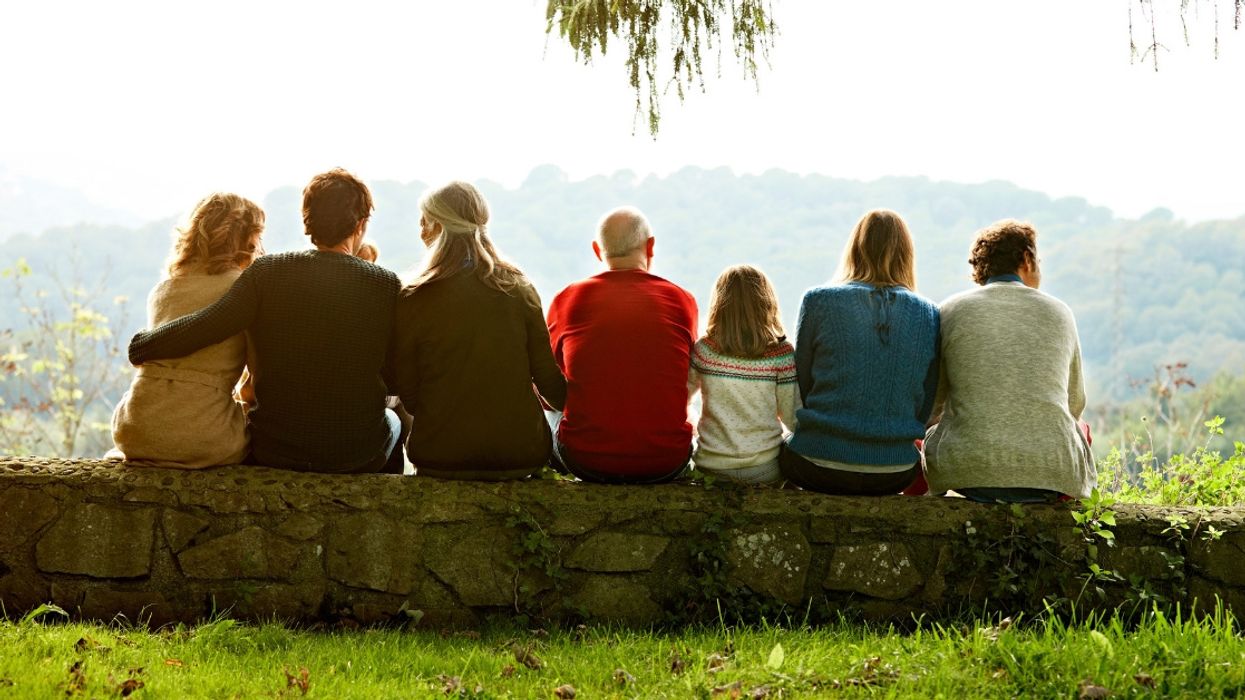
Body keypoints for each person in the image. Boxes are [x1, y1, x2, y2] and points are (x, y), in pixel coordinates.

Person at [127, 168, 402, 474]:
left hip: (274, 448)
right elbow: (395, 374)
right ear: (361, 223)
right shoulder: (385, 284)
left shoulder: (267, 273)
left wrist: (142, 345)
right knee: (393, 420)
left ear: (307, 220)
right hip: (355, 453)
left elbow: (207, 326)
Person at [389, 181, 565, 479]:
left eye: (423, 222)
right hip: (519, 454)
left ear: (436, 227)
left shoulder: (413, 296)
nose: (420, 231)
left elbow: (409, 392)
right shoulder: (518, 288)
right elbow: (548, 381)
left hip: (439, 455)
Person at [923, 219, 1095, 502]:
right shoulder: (1060, 312)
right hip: (1052, 475)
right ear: (1027, 259)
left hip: (967, 473)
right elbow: (1074, 403)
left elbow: (934, 403)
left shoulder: (950, 310)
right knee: (1080, 428)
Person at [782, 209, 940, 495]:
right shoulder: (928, 313)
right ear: (907, 254)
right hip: (895, 471)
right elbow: (925, 402)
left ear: (855, 248)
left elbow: (802, 383)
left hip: (816, 464)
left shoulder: (818, 300)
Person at [545, 206, 698, 483]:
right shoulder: (681, 301)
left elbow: (548, 386)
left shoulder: (567, 300)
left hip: (585, 460)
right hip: (666, 460)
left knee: (549, 411)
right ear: (650, 246)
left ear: (597, 250)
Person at [110, 193, 264, 467]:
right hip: (203, 436)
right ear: (248, 240)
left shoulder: (161, 290)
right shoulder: (244, 290)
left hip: (134, 428)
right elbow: (256, 379)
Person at [687, 265, 798, 485]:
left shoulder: (705, 350)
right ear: (767, 304)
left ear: (719, 305)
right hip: (764, 468)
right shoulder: (781, 354)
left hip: (711, 467)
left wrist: (697, 430)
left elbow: (681, 399)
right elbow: (791, 417)